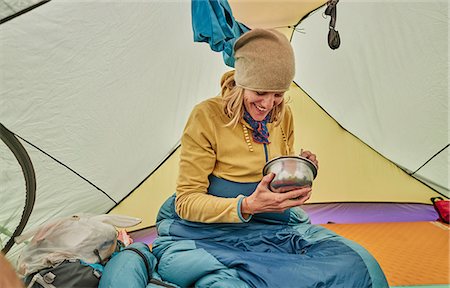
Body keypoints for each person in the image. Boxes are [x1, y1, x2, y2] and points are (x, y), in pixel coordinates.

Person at [152, 28, 388, 288]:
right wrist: (248, 206)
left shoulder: (282, 115)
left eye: (277, 94)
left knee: (361, 266)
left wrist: (301, 170)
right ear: (242, 83)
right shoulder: (206, 117)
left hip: (274, 229)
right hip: (212, 233)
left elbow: (277, 181)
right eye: (259, 92)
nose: (267, 104)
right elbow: (186, 201)